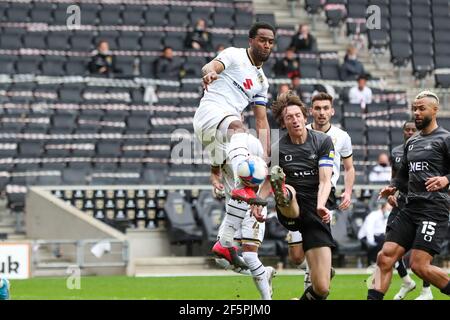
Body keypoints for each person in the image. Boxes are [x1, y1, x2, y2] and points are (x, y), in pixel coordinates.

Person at [193, 22, 275, 268]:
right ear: (251, 40)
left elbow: (261, 120)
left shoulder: (262, 81)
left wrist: (266, 158)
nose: (267, 45)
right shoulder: (234, 55)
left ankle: (225, 243)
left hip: (220, 136)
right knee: (240, 128)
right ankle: (246, 182)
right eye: (262, 40)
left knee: (238, 188)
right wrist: (208, 73)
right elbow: (211, 66)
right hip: (212, 112)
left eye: (271, 42)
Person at [252, 91, 336, 300]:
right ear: (283, 122)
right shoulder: (278, 148)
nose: (295, 120)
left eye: (298, 115)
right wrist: (260, 201)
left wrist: (321, 205)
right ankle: (282, 191)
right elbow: (265, 184)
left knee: (322, 288)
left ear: (305, 117)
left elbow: (326, 181)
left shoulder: (323, 142)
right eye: (289, 117)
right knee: (286, 189)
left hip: (316, 207)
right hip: (291, 206)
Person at [369, 90, 450, 300]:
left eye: (422, 108)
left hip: (433, 209)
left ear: (435, 109)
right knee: (384, 258)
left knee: (419, 265)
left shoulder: (445, 139)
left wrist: (446, 179)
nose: (417, 112)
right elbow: (403, 174)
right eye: (414, 108)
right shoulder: (411, 142)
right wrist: (392, 187)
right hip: (410, 207)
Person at [286, 92, 355, 292]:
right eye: (317, 108)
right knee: (297, 256)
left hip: (324, 198)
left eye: (326, 108)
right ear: (310, 111)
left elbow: (349, 168)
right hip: (298, 199)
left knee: (316, 253)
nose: (322, 112)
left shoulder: (342, 137)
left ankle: (316, 276)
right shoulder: (300, 131)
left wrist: (348, 192)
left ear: (332, 111)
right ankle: (319, 270)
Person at [210, 134, 276, 300]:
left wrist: (260, 200)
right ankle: (264, 272)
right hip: (233, 210)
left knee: (249, 256)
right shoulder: (218, 148)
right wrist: (216, 184)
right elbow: (215, 172)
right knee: (221, 256)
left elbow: (267, 174)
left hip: (252, 207)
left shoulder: (250, 145)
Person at [388, 120, 434, 300]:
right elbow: (394, 178)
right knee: (388, 245)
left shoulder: (428, 151)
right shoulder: (396, 152)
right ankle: (407, 281)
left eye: (412, 130)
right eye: (406, 130)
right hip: (401, 204)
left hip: (422, 205)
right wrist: (392, 192)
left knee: (421, 249)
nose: (409, 132)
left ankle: (426, 290)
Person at [358, 201, 391, 266]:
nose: (389, 211)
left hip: (377, 235)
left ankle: (382, 262)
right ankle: (373, 261)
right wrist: (371, 242)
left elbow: (383, 230)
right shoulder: (373, 215)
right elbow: (369, 229)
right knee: (382, 242)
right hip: (365, 236)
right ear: (383, 208)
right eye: (388, 209)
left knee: (389, 240)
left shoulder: (386, 217)